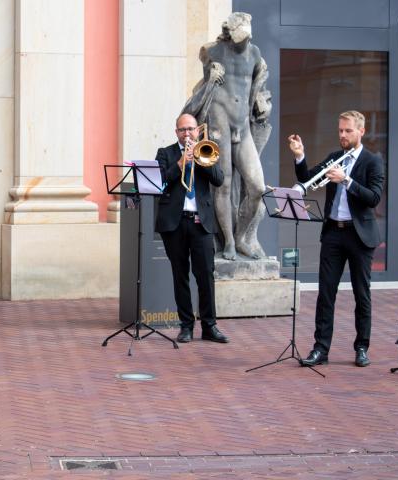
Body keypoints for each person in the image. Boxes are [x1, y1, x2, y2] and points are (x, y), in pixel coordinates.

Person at [288, 110, 385, 367]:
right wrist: (299, 155)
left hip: (359, 235)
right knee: (325, 293)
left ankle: (362, 347)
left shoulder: (372, 161)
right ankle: (321, 349)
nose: (343, 135)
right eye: (340, 130)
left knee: (361, 294)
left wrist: (347, 181)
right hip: (333, 232)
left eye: (348, 131)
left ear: (361, 131)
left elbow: (374, 197)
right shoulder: (334, 157)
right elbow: (306, 179)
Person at [183, 12, 272, 261]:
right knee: (221, 185)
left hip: (242, 126)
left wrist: (261, 103)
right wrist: (211, 74)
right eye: (240, 32)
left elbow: (259, 88)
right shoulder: (211, 50)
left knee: (256, 186)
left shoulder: (255, 54)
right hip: (219, 121)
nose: (244, 38)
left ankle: (242, 237)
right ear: (230, 31)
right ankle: (228, 242)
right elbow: (203, 86)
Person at [155, 113, 228, 344]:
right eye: (182, 130)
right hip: (174, 223)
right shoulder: (165, 153)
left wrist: (198, 157)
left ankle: (210, 326)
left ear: (198, 131)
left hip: (201, 222)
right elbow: (160, 182)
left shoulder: (207, 149)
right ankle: (186, 326)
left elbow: (218, 179)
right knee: (180, 276)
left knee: (205, 276)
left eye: (191, 129)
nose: (187, 133)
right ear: (176, 132)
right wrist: (180, 163)